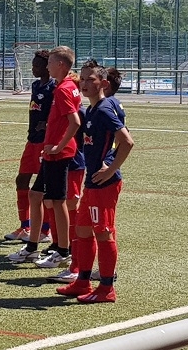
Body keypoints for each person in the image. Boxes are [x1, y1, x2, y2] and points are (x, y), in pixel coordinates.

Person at [56, 64, 133, 303]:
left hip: (103, 184)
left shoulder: (104, 109)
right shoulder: (92, 109)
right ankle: (83, 281)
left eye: (90, 80)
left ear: (104, 83)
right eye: (82, 79)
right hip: (92, 181)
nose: (84, 83)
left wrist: (111, 168)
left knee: (103, 233)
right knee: (82, 230)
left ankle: (107, 288)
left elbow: (127, 141)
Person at [8, 46, 81, 266]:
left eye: (49, 62)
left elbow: (75, 122)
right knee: (35, 194)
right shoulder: (64, 86)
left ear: (60, 64)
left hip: (59, 153)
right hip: (49, 151)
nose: (47, 66)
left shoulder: (63, 89)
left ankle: (63, 251)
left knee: (57, 201)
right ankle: (32, 246)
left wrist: (59, 146)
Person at [6, 50, 54, 243]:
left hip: (45, 142)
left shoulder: (54, 87)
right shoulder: (35, 85)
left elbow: (62, 113)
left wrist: (48, 124)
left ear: (47, 67)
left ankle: (45, 230)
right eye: (33, 65)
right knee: (21, 180)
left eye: (37, 65)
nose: (33, 68)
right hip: (32, 140)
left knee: (44, 186)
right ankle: (25, 226)